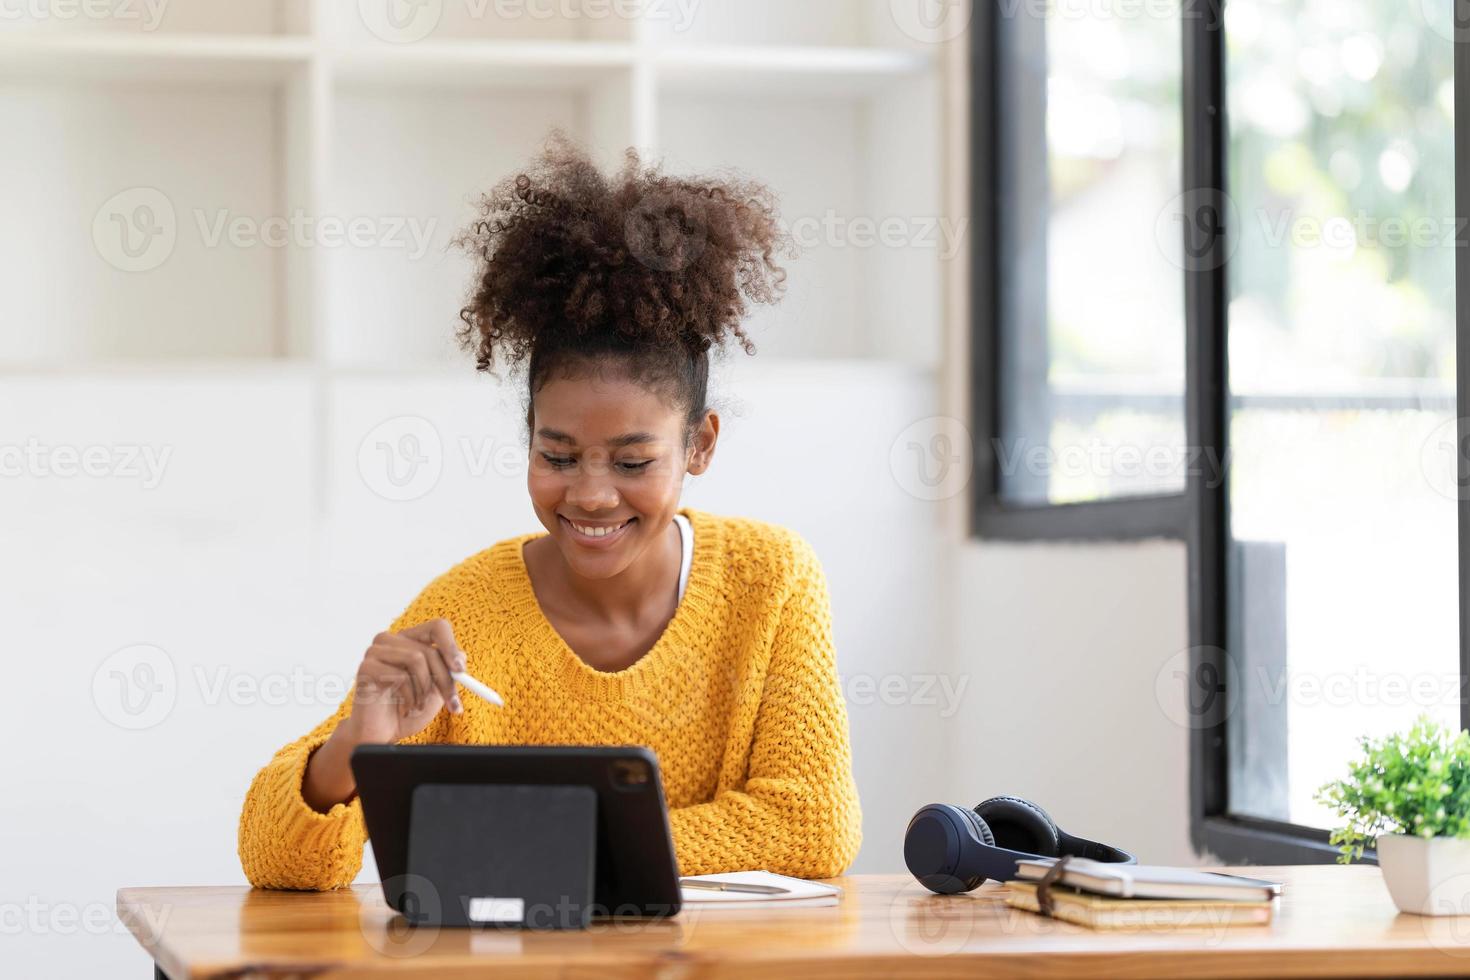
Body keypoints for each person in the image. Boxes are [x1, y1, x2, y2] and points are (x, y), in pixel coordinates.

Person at [237, 133, 862, 889]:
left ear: (700, 444)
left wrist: (534, 835)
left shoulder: (772, 580)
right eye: (557, 456)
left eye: (633, 462)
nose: (591, 495)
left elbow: (812, 828)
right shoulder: (468, 612)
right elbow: (278, 864)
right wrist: (355, 748)